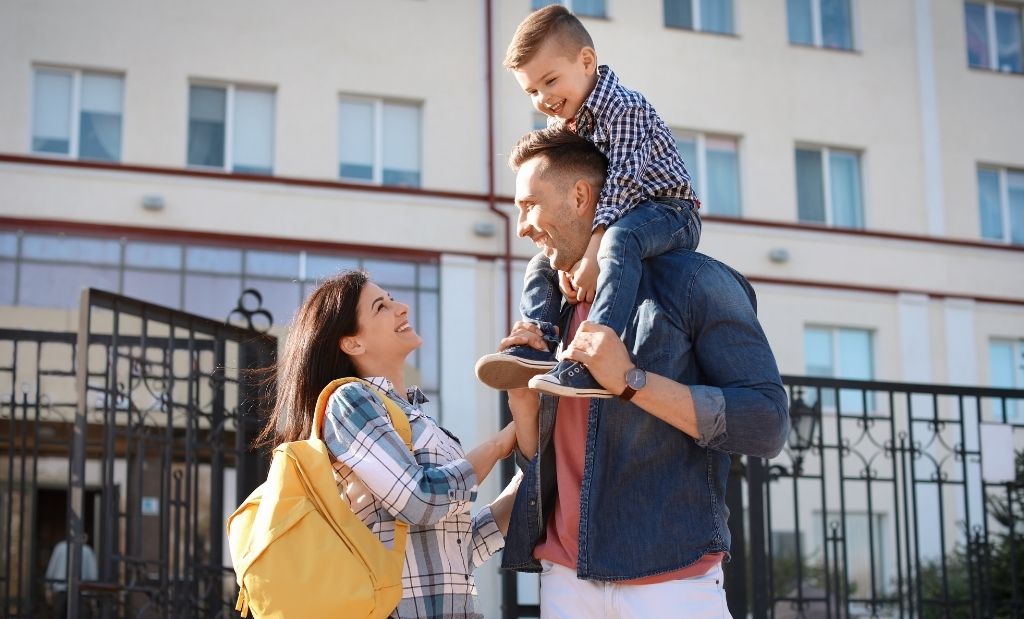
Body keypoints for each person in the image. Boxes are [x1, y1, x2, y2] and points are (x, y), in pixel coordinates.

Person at [496, 127, 790, 618]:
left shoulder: (696, 282)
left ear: (580, 196)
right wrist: (526, 409)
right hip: (565, 579)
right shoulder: (549, 309)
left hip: (671, 582)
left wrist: (631, 382)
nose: (522, 226)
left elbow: (766, 423)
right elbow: (554, 462)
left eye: (529, 205)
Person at [255, 270, 520, 619]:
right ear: (352, 343)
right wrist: (498, 446)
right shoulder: (350, 402)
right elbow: (420, 500)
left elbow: (457, 546)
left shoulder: (413, 416)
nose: (402, 308)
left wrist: (532, 471)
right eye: (381, 306)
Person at [475, 4, 702, 398]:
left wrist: (593, 247)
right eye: (532, 91)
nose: (544, 98)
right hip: (615, 218)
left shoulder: (625, 107)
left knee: (619, 241)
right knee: (543, 259)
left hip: (668, 211)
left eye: (549, 80)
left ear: (586, 61)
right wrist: (570, 254)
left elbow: (623, 182)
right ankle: (537, 340)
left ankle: (591, 355)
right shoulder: (562, 122)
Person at [44, 537, 97, 619]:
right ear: (85, 537)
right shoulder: (87, 550)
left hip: (61, 589)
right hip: (82, 592)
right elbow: (93, 575)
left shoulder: (60, 547)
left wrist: (48, 589)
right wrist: (93, 597)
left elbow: (51, 569)